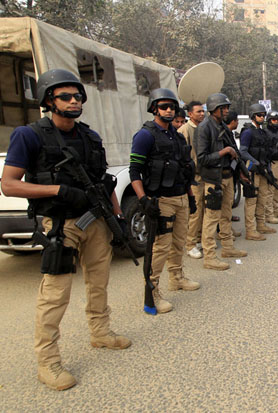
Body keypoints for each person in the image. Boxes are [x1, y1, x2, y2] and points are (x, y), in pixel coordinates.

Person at [1, 69, 131, 391]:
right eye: (65, 97)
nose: (74, 101)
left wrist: (116, 215)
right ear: (48, 100)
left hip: (95, 220)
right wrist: (56, 191)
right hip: (61, 223)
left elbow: (104, 181)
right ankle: (48, 362)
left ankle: (100, 332)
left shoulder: (90, 136)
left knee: (99, 281)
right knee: (56, 293)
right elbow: (9, 185)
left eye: (77, 97)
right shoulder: (29, 135)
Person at [130, 88, 200, 315]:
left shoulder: (177, 136)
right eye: (163, 106)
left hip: (180, 196)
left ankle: (177, 277)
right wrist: (143, 200)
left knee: (179, 241)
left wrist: (190, 197)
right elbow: (135, 172)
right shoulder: (145, 135)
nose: (169, 110)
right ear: (154, 109)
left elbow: (184, 170)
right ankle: (153, 290)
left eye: (172, 106)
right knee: (160, 247)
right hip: (160, 200)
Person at [194, 93, 248, 271]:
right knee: (211, 219)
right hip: (213, 180)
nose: (226, 111)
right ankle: (209, 257)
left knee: (226, 214)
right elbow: (201, 158)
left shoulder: (222, 126)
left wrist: (240, 170)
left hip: (227, 177)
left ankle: (228, 247)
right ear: (213, 109)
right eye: (222, 108)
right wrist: (223, 152)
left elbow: (234, 151)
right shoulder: (204, 128)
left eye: (226, 108)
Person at [238, 104, 274, 240]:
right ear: (253, 116)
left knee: (262, 198)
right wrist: (255, 162)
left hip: (263, 170)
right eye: (259, 115)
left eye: (263, 115)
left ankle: (261, 224)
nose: (262, 117)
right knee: (252, 200)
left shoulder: (262, 131)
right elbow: (243, 151)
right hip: (253, 170)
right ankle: (250, 230)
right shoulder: (248, 132)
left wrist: (267, 168)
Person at [178, 101, 206, 259]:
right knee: (194, 212)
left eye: (203, 111)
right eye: (198, 112)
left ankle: (199, 239)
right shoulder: (184, 130)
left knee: (203, 209)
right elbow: (183, 158)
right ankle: (190, 245)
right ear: (190, 114)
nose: (202, 114)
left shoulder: (202, 129)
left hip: (204, 176)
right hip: (193, 178)